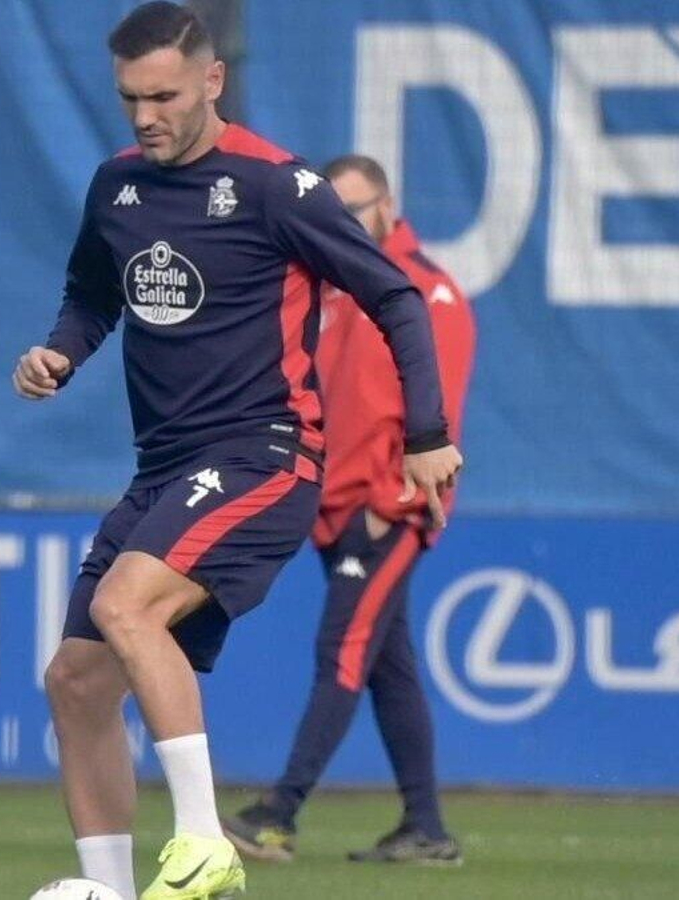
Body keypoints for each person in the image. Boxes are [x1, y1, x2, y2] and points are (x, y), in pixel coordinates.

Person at [11, 6, 462, 898]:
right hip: (163, 469)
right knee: (75, 680)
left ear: (212, 81)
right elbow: (92, 295)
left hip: (265, 456)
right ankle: (108, 889)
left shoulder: (276, 187)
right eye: (131, 98)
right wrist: (60, 352)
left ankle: (204, 842)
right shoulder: (117, 186)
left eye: (165, 97)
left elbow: (397, 297)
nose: (146, 117)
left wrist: (428, 435)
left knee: (126, 605)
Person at [222, 155, 476, 866]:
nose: (339, 226)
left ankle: (280, 812)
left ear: (387, 207)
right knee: (389, 667)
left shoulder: (427, 292)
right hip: (336, 508)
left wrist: (393, 502)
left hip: (386, 510)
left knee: (344, 651)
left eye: (354, 211)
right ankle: (426, 828)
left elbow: (437, 414)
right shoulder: (333, 287)